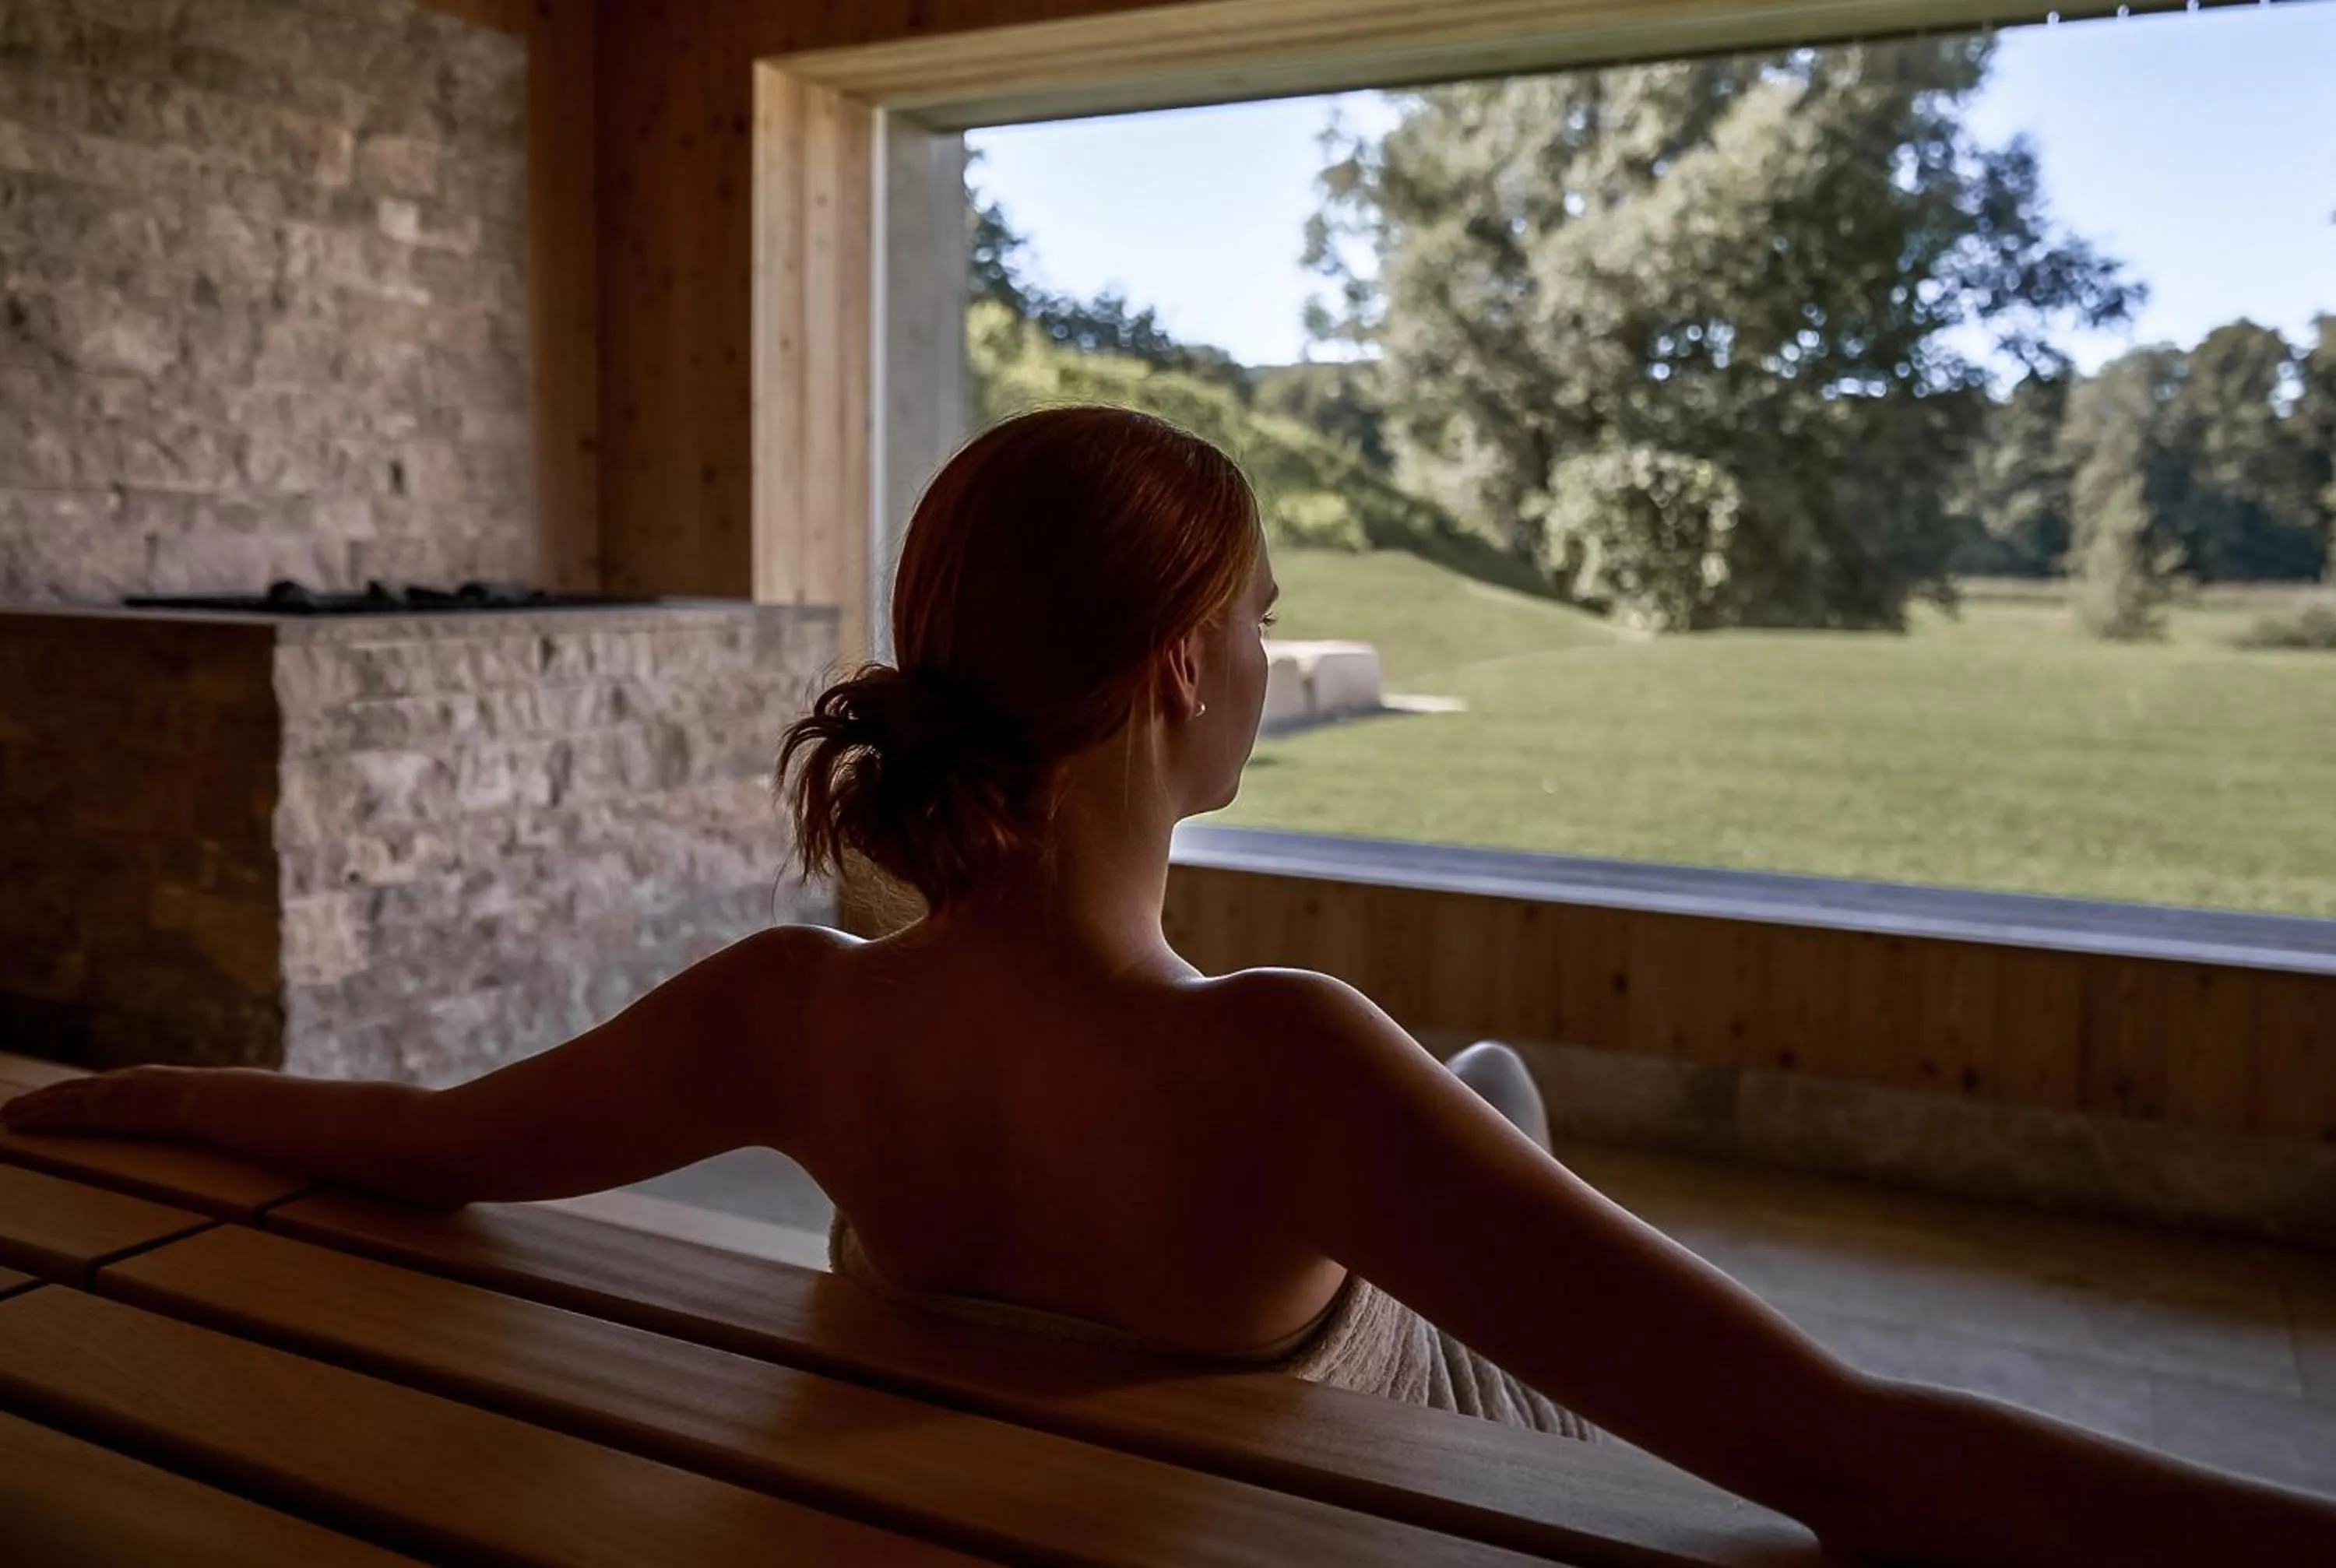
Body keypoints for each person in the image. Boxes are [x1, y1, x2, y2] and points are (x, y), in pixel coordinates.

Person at [8, 406, 2333, 1565]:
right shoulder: (1276, 1066)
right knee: (1480, 1101)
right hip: (1426, 1436)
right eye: (1263, 620)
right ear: (1181, 676)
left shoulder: (793, 1018)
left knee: (1485, 1087)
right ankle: (1501, 1124)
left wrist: (134, 1095)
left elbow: (424, 1145)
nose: (1268, 659)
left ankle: (1498, 1117)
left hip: (1134, 1297)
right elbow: (1844, 1448)